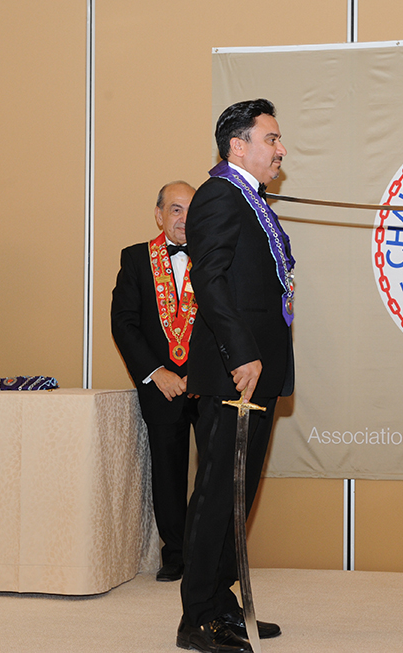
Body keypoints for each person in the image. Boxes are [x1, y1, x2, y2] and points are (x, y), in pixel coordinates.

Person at [177, 98, 294, 653]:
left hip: (257, 370)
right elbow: (211, 279)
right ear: (238, 146)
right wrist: (241, 352)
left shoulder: (252, 198)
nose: (281, 149)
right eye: (271, 138)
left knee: (237, 495)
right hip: (236, 371)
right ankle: (196, 618)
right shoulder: (220, 195)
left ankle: (223, 604)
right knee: (217, 494)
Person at [111, 180, 200, 583]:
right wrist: (156, 373)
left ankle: (207, 553)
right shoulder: (135, 258)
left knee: (213, 471)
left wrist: (203, 372)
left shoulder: (216, 256)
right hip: (160, 385)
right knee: (167, 472)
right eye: (176, 209)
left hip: (207, 382)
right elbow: (124, 323)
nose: (183, 218)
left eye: (191, 209)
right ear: (159, 214)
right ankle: (176, 553)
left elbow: (226, 320)